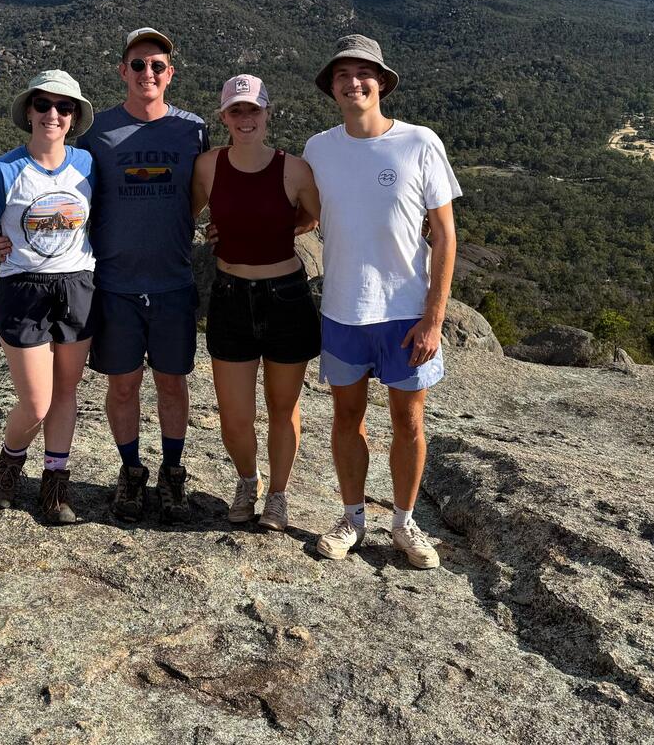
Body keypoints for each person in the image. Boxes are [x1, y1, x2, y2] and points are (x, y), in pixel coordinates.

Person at [0, 28, 208, 523]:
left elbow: (201, 189)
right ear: (123, 71)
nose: (147, 73)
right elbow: (64, 193)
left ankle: (172, 473)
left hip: (173, 282)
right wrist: (9, 238)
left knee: (173, 385)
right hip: (114, 285)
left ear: (170, 73)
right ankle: (131, 471)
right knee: (123, 386)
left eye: (157, 65)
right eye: (138, 65)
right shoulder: (97, 138)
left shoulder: (193, 130)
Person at [304, 35, 460, 570]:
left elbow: (444, 234)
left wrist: (433, 318)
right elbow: (305, 216)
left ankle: (404, 521)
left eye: (363, 73)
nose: (353, 83)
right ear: (331, 88)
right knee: (346, 417)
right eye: (342, 75)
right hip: (343, 308)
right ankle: (352, 518)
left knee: (408, 421)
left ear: (382, 82)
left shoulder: (419, 143)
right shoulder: (318, 149)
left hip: (404, 311)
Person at [192, 74, 321, 532]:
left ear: (268, 114)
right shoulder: (208, 167)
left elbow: (311, 216)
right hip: (230, 296)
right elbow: (186, 213)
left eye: (254, 110)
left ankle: (279, 494)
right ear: (224, 117)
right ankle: (248, 479)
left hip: (286, 296)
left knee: (283, 407)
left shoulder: (295, 169)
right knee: (235, 414)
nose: (245, 119)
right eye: (236, 111)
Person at [0, 69, 96, 525]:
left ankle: (54, 486)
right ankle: (9, 463)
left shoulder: (87, 165)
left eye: (64, 108)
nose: (53, 114)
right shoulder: (3, 171)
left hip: (77, 285)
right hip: (23, 291)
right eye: (43, 105)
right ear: (28, 111)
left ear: (75, 118)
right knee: (37, 402)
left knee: (66, 392)